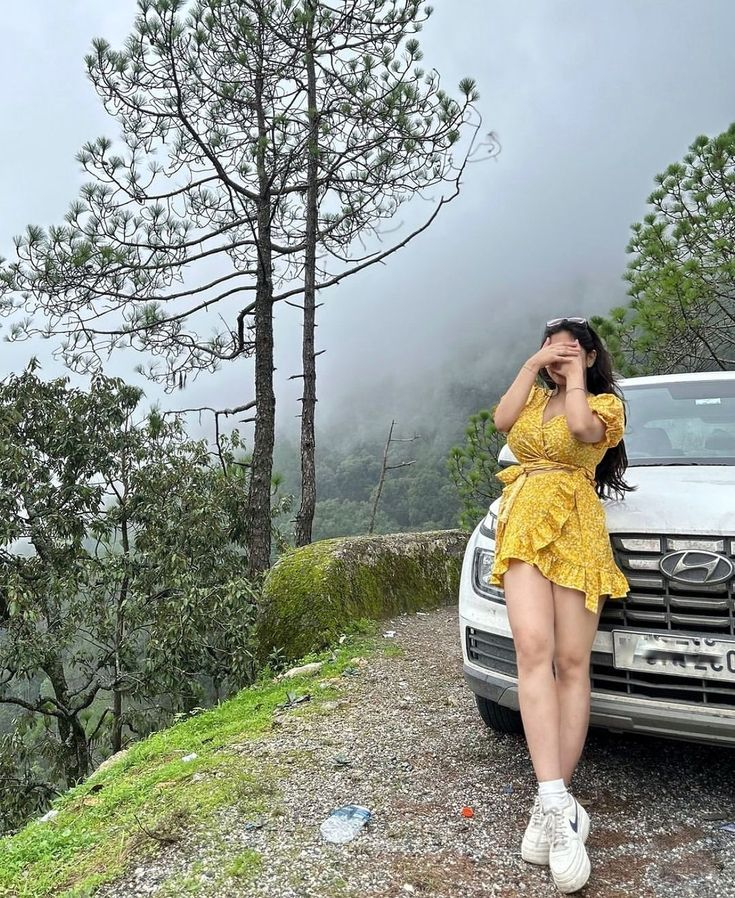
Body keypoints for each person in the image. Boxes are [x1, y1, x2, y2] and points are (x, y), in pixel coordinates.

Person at [488, 316, 633, 894]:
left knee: (572, 663)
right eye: (550, 349)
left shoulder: (604, 406)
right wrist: (532, 365)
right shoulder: (531, 398)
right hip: (523, 522)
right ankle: (554, 799)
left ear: (591, 355)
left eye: (570, 349)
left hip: (575, 527)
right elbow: (501, 421)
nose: (557, 357)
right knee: (532, 651)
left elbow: (580, 428)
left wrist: (575, 378)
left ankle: (554, 801)